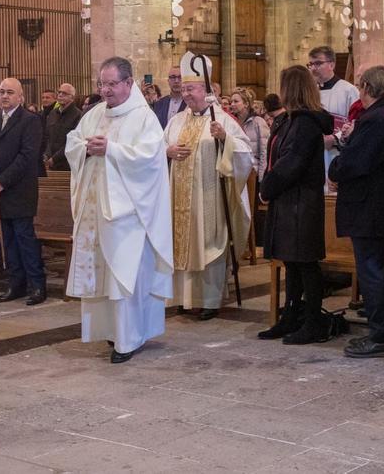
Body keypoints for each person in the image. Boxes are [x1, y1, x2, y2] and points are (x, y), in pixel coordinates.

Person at [64, 57, 173, 363]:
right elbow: (72, 142)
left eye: (112, 84)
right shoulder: (95, 113)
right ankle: (111, 331)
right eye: (102, 84)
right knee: (103, 276)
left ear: (129, 83)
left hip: (128, 216)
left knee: (125, 275)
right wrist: (85, 146)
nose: (106, 90)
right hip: (96, 212)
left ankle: (130, 337)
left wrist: (111, 149)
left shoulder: (143, 118)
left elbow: (150, 159)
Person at [165, 53, 253, 319]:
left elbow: (245, 154)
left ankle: (210, 301)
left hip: (209, 198)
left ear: (205, 90)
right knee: (180, 243)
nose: (186, 93)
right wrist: (167, 151)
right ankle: (183, 298)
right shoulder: (176, 120)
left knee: (208, 244)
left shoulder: (222, 120)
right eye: (184, 89)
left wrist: (225, 138)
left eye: (190, 89)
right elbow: (158, 147)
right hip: (179, 198)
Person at [331, 66, 384, 358]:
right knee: (379, 268)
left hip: (371, 206)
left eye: (359, 87)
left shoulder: (377, 118)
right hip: (378, 205)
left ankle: (380, 337)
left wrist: (336, 167)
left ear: (367, 87)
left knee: (372, 271)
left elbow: (355, 162)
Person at [257, 66, 333, 343]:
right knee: (291, 261)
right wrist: (270, 184)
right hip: (287, 201)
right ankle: (290, 317)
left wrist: (268, 187)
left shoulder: (306, 123)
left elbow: (292, 162)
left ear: (292, 88)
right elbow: (275, 157)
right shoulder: (289, 120)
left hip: (302, 202)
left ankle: (313, 322)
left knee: (306, 263)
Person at [0, 78, 45, 306]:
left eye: (10, 92)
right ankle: (15, 284)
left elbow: (27, 156)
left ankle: (36, 285)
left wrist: (2, 182)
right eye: (1, 92)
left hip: (19, 190)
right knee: (7, 241)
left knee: (24, 238)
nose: (5, 96)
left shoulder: (30, 121)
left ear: (20, 97)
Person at [308, 46, 358, 177]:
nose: (313, 68)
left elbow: (356, 123)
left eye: (318, 63)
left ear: (331, 64)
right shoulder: (309, 94)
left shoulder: (348, 91)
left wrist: (335, 138)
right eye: (311, 64)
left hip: (337, 154)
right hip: (314, 157)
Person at [230, 87, 269, 183]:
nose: (232, 104)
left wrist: (261, 178)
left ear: (246, 104)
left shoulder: (258, 122)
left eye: (236, 101)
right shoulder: (231, 122)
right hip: (235, 172)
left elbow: (264, 151)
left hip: (252, 172)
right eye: (231, 102)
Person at [42, 83, 82, 172]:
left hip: (67, 165)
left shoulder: (78, 115)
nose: (60, 95)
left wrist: (55, 158)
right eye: (59, 92)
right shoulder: (52, 114)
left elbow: (73, 142)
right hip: (50, 164)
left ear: (72, 97)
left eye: (64, 93)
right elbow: (47, 137)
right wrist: (46, 155)